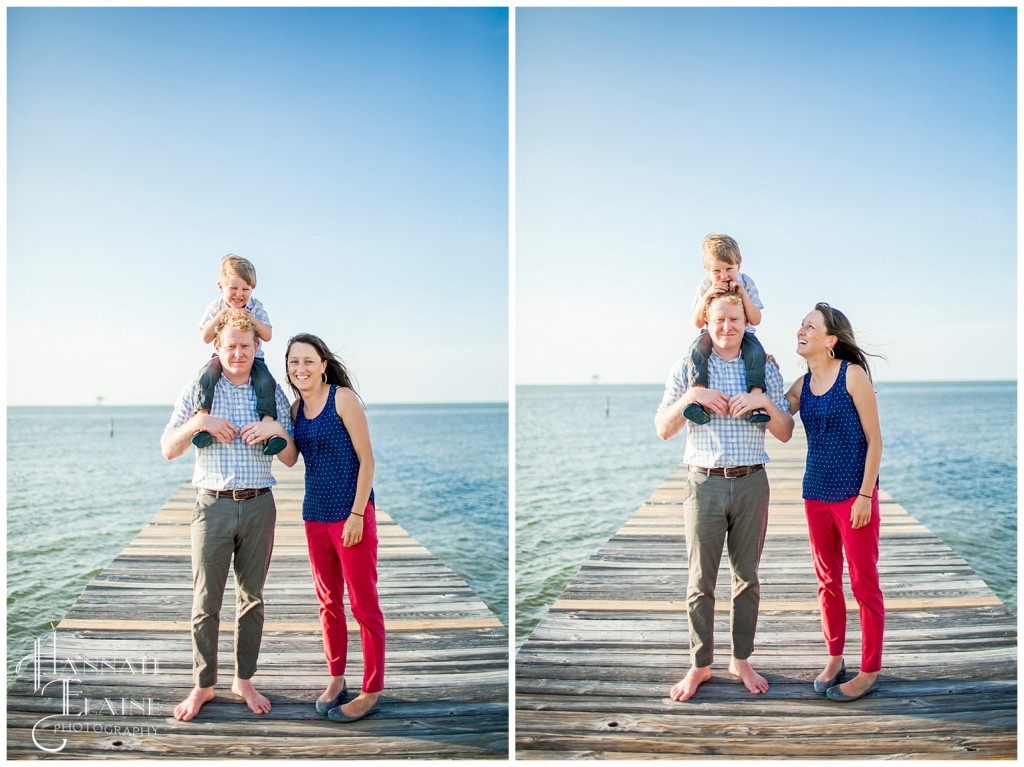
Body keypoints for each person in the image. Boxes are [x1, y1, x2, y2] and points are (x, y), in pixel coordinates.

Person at [655, 290, 794, 702]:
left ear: (745, 323)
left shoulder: (763, 369)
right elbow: (663, 428)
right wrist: (691, 398)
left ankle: (741, 659)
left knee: (747, 578)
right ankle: (700, 665)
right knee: (700, 582)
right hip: (704, 483)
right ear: (706, 321)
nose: (727, 327)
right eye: (720, 320)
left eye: (735, 319)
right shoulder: (688, 367)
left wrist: (763, 401)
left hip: (752, 482)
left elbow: (785, 431)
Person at [160, 309, 298, 721]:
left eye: (245, 346)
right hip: (212, 505)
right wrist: (198, 423)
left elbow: (290, 459)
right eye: (230, 346)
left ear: (257, 348)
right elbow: (168, 447)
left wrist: (278, 433)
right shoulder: (198, 390)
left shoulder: (270, 392)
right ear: (217, 347)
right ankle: (204, 685)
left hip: (259, 504)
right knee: (206, 603)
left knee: (252, 599)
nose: (237, 353)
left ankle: (244, 679)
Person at [785, 302, 885, 702]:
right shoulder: (801, 383)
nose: (800, 330)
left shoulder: (853, 375)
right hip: (816, 494)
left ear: (830, 340)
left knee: (864, 584)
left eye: (809, 326)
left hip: (853, 495)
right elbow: (778, 414)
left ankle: (869, 670)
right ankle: (834, 658)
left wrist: (865, 495)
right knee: (827, 583)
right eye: (801, 324)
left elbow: (875, 441)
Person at [285, 333, 385, 723]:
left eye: (308, 360)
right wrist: (275, 431)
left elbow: (368, 461)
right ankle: (337, 678)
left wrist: (357, 515)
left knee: (364, 605)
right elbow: (292, 459)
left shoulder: (342, 398)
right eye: (294, 362)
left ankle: (371, 690)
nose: (301, 368)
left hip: (350, 516)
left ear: (323, 364)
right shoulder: (295, 409)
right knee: (328, 604)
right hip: (314, 516)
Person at [192, 254, 286, 455]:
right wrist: (221, 316)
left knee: (266, 384)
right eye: (233, 288)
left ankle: (270, 431)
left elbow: (267, 335)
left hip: (254, 358)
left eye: (245, 289)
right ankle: (202, 422)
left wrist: (250, 317)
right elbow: (205, 337)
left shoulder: (256, 307)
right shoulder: (216, 307)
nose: (239, 294)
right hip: (222, 359)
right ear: (221, 286)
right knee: (205, 377)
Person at [685, 233, 770, 424]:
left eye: (729, 269)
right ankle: (699, 395)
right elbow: (698, 322)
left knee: (757, 353)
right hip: (711, 335)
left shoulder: (746, 282)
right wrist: (707, 297)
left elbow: (755, 320)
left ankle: (756, 401)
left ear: (739, 265)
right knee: (696, 350)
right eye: (716, 271)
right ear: (706, 269)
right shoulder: (705, 285)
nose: (723, 276)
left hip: (744, 334)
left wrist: (742, 294)